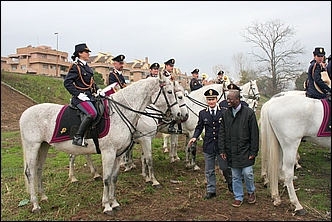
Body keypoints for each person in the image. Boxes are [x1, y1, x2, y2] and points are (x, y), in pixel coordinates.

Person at [188, 89, 233, 200]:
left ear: (217, 100)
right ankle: (211, 190)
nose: (211, 102)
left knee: (224, 167)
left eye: (213, 99)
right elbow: (199, 127)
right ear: (206, 100)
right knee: (209, 170)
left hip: (221, 146)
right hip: (208, 145)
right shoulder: (203, 113)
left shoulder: (224, 112)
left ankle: (231, 183)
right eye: (209, 100)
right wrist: (195, 136)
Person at [218, 89, 259, 207]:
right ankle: (238, 196)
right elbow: (222, 133)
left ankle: (251, 192)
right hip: (231, 151)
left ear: (237, 99)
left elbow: (255, 134)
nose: (228, 101)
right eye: (227, 98)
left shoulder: (249, 113)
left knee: (248, 173)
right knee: (235, 176)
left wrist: (253, 151)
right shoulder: (226, 114)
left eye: (230, 99)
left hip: (245, 151)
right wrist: (222, 149)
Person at [64, 43, 104, 147]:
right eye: (86, 52)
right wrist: (78, 94)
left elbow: (91, 83)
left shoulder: (87, 68)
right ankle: (78, 137)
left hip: (90, 96)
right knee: (92, 113)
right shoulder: (75, 67)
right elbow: (67, 82)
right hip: (80, 98)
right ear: (80, 53)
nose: (88, 54)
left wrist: (99, 90)